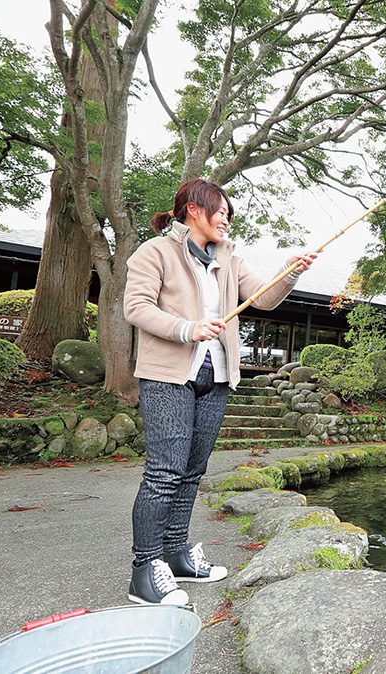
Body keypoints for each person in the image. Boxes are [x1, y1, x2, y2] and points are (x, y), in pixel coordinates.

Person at [123, 178, 316, 605]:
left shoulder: (229, 258)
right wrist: (187, 329)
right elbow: (136, 307)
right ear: (193, 209)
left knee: (192, 471)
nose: (226, 220)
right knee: (164, 472)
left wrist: (291, 271)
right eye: (220, 211)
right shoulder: (155, 252)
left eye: (229, 214)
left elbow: (264, 300)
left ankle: (176, 554)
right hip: (168, 374)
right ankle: (145, 570)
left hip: (218, 374)